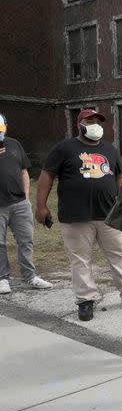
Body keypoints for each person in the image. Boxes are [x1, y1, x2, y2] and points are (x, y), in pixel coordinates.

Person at [36, 109, 122, 321]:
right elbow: (47, 175)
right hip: (75, 216)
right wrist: (41, 206)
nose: (96, 123)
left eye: (98, 120)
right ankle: (86, 299)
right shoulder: (64, 148)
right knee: (80, 259)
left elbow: (118, 174)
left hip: (108, 215)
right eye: (90, 120)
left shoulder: (109, 149)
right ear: (80, 123)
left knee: (118, 253)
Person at [0, 113, 53, 294]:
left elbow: (24, 171)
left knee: (26, 241)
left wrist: (26, 197)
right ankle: (2, 279)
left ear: (5, 127)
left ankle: (30, 276)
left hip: (20, 203)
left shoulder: (14, 144)